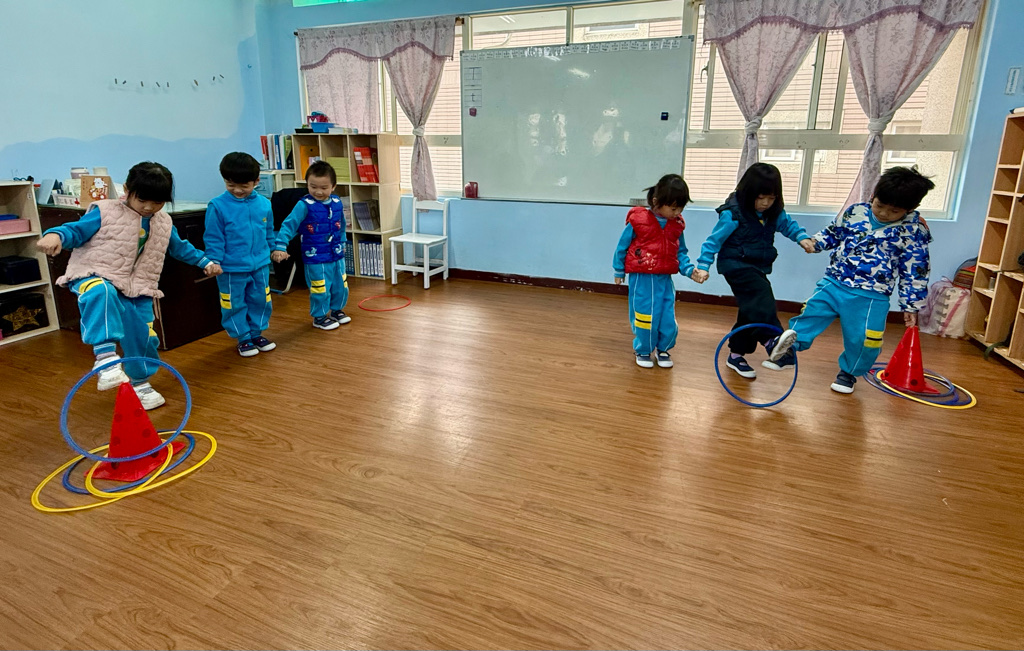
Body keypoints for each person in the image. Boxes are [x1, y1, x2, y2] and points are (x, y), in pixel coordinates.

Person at [37, 162, 221, 410]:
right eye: (142, 200)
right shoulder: (105, 211)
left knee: (143, 337)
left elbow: (179, 247)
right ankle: (105, 359)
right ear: (126, 189)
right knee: (101, 292)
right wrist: (56, 235)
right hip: (94, 274)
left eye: (157, 202)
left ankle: (140, 383)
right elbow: (75, 230)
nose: (148, 207)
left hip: (138, 287)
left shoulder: (163, 222)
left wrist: (205, 262)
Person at [766, 166, 935, 394]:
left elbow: (915, 270)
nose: (883, 213)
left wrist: (911, 305)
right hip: (833, 282)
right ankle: (789, 351)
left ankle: (849, 373)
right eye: (879, 205)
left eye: (893, 211)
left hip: (871, 297)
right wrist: (814, 243)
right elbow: (833, 233)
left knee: (864, 340)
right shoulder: (855, 212)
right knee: (811, 313)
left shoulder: (914, 231)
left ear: (910, 209)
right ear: (873, 196)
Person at [693, 163, 815, 378]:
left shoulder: (773, 213)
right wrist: (703, 266)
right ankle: (772, 341)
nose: (766, 203)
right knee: (762, 296)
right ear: (748, 193)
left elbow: (788, 225)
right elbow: (713, 242)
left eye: (771, 198)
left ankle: (736, 355)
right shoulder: (733, 214)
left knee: (749, 310)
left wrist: (801, 237)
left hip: (757, 265)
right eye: (761, 198)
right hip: (735, 265)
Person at [612, 174, 704, 368]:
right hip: (642, 279)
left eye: (680, 208)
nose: (677, 212)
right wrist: (618, 270)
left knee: (667, 317)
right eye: (673, 208)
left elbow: (681, 252)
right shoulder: (638, 220)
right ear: (656, 202)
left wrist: (690, 270)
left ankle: (664, 349)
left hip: (664, 279)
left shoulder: (676, 225)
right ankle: (643, 350)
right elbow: (622, 246)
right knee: (645, 317)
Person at [205, 152, 276, 357]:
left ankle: (256, 333)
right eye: (230, 184)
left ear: (256, 181)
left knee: (261, 299)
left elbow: (268, 231)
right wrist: (213, 261)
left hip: (260, 265)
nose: (237, 190)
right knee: (234, 303)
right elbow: (213, 237)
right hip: (230, 268)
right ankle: (243, 338)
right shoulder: (217, 206)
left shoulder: (264, 204)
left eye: (244, 186)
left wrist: (274, 249)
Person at [271, 161, 351, 330]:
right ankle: (320, 317)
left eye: (324, 187)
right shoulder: (304, 205)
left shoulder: (337, 202)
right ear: (307, 184)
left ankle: (337, 310)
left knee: (340, 284)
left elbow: (341, 225)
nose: (318, 192)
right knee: (320, 287)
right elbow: (289, 225)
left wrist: (343, 241)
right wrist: (280, 245)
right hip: (315, 257)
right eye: (313, 187)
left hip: (336, 254)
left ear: (333, 186)